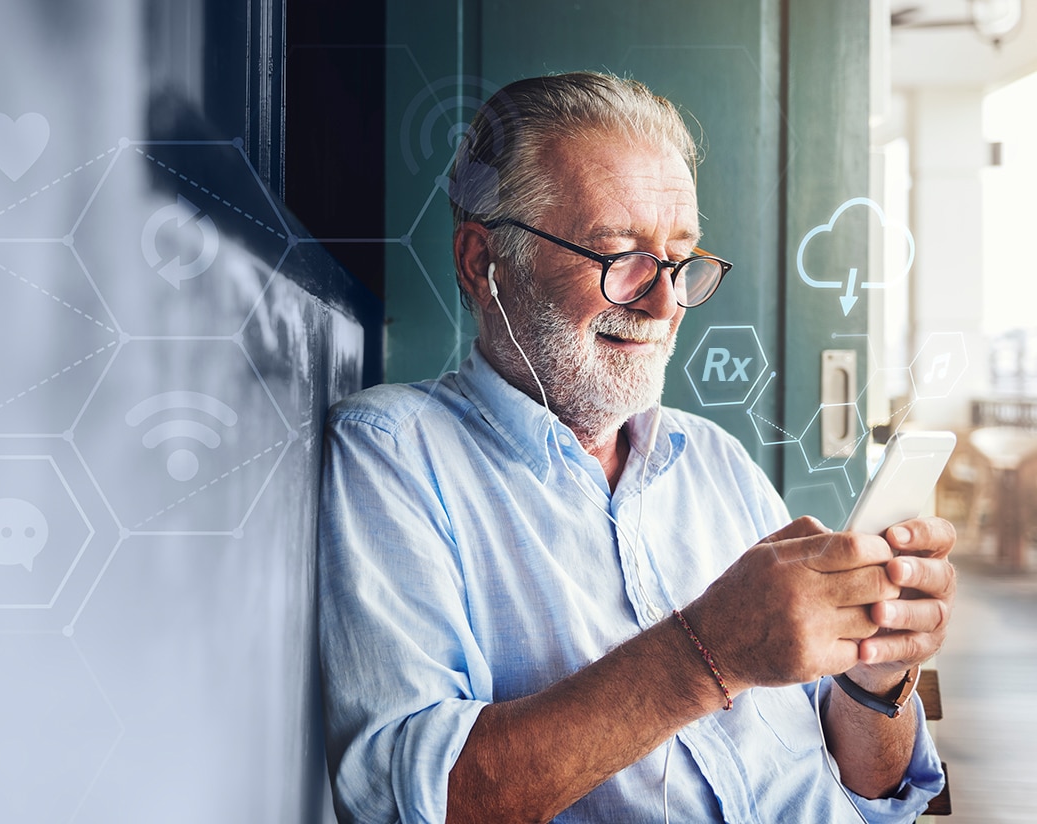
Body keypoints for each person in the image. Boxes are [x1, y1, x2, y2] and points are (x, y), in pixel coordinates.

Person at [318, 71, 954, 823]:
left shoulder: (716, 460)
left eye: (681, 260)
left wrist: (876, 674)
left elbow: (877, 791)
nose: (664, 301)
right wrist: (707, 650)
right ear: (480, 263)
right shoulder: (392, 456)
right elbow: (416, 805)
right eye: (619, 255)